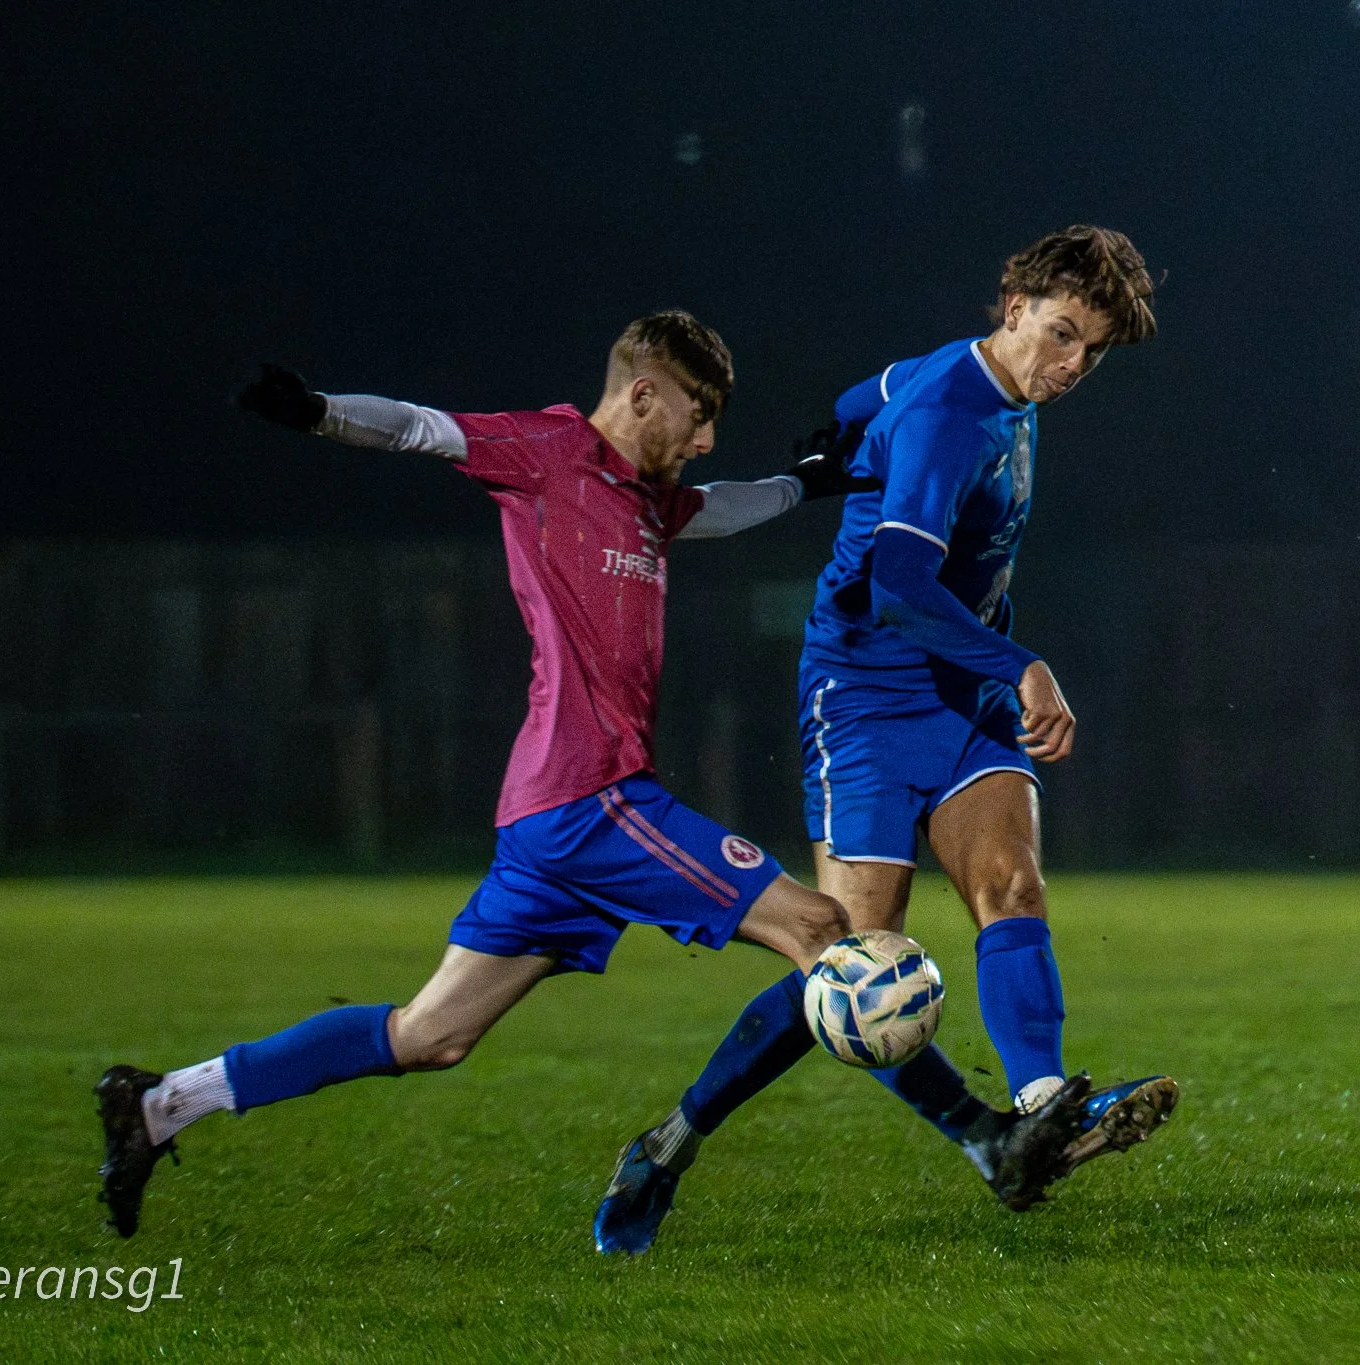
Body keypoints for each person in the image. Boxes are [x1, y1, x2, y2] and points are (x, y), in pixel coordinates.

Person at [95, 310, 879, 1238]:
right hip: (596, 800)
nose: (707, 438)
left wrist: (805, 483)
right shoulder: (549, 449)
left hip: (551, 818)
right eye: (698, 413)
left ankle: (161, 1104)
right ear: (641, 393)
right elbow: (424, 427)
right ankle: (979, 1130)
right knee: (825, 928)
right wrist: (314, 412)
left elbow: (723, 507)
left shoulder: (648, 498)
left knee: (429, 1036)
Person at [596, 228, 1179, 1255]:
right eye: (1059, 335)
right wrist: (1024, 665)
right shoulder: (951, 419)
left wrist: (830, 449)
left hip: (959, 693)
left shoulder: (955, 379)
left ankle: (1039, 1105)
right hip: (862, 695)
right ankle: (670, 1141)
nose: (1070, 366)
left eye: (1087, 350)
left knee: (1009, 879)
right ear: (1012, 304)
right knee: (855, 964)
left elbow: (864, 398)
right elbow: (896, 588)